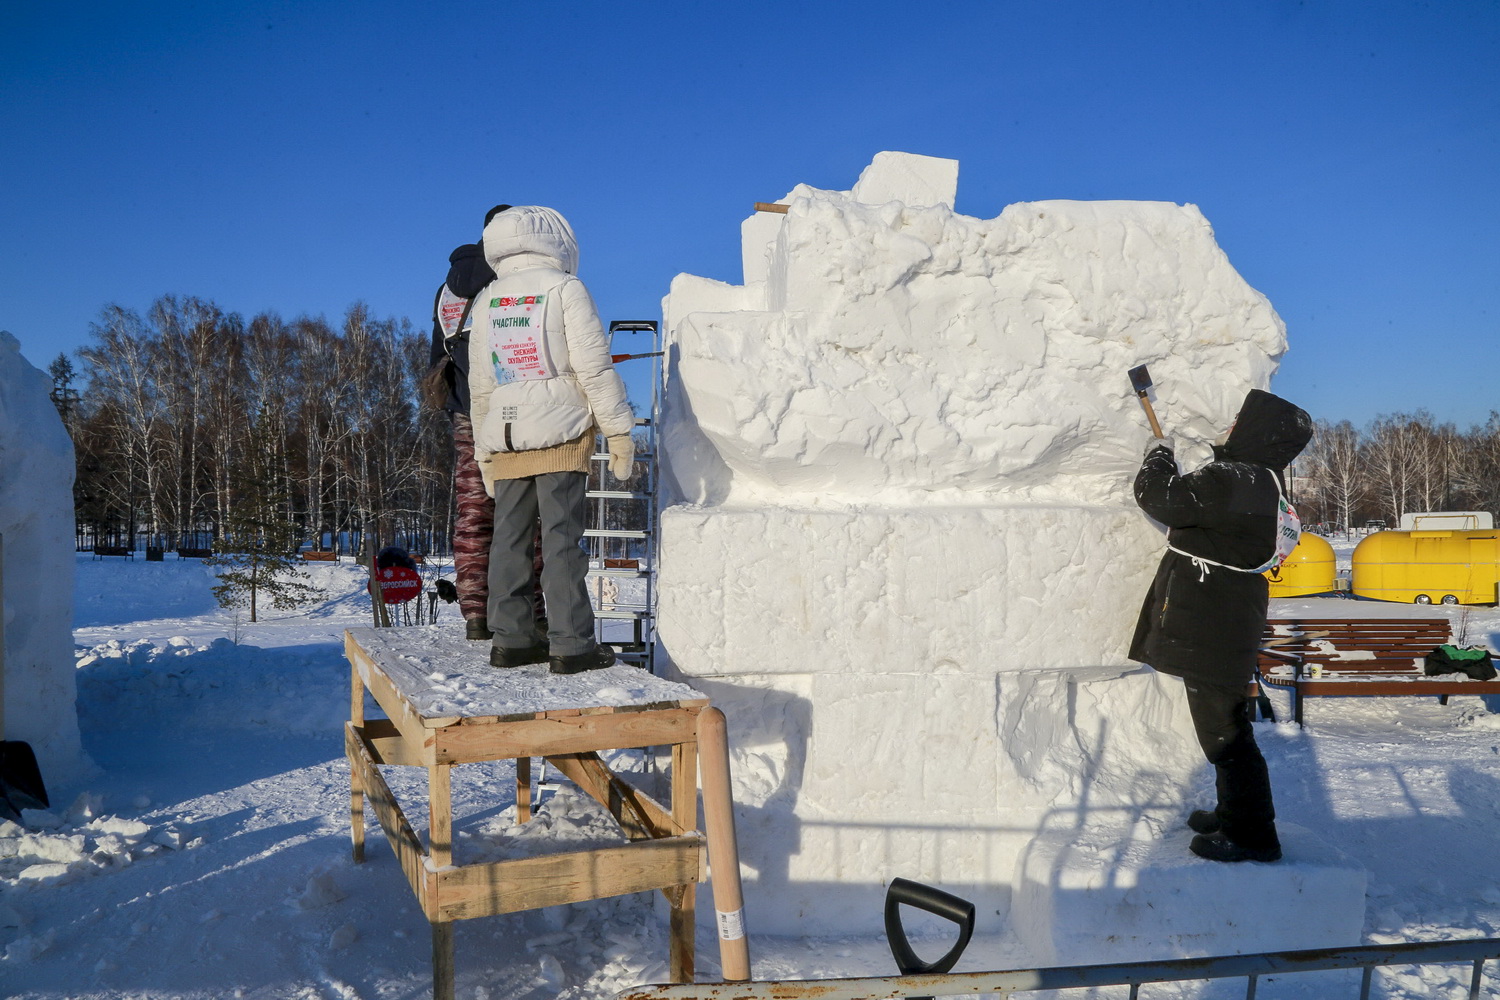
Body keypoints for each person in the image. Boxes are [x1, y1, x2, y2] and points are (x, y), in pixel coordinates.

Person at [1128, 388, 1312, 863]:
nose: (1230, 427)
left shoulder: (1237, 477)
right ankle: (1234, 812)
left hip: (1213, 624)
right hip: (1229, 619)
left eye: (1239, 421)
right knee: (1226, 727)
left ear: (1255, 430)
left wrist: (1158, 456)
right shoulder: (1266, 482)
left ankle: (1252, 835)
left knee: (1226, 736)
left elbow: (1163, 498)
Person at [467, 205, 636, 674]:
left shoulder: (488, 300)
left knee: (509, 540)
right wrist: (618, 429)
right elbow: (593, 367)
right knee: (562, 540)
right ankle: (571, 644)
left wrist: (484, 453)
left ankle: (512, 639)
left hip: (506, 432)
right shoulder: (565, 289)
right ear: (558, 240)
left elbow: (480, 385)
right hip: (560, 432)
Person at [428, 206, 506, 640]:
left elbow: (434, 355)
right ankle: (528, 611)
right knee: (521, 509)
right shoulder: (518, 278)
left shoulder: (448, 288)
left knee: (474, 511)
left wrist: (455, 406)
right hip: (514, 409)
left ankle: (475, 613)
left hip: (464, 409)